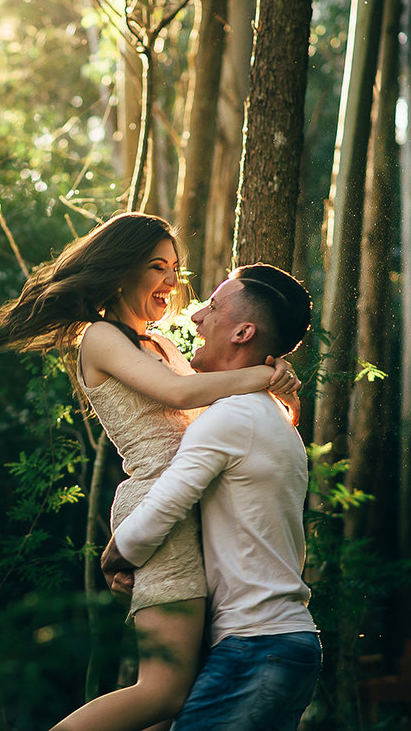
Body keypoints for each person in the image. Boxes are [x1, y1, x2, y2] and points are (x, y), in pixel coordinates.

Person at [0, 214, 300, 731]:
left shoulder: (160, 344)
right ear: (122, 269)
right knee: (161, 693)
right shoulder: (100, 338)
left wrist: (283, 393)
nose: (171, 283)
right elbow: (182, 396)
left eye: (175, 269)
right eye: (157, 267)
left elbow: (235, 424)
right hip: (161, 503)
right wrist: (264, 374)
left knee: (173, 701)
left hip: (189, 510)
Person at [95, 263, 320, 731]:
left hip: (255, 648)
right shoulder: (267, 414)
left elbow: (165, 503)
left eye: (213, 307)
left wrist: (118, 554)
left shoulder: (232, 418)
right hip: (283, 643)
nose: (196, 315)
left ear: (243, 331)